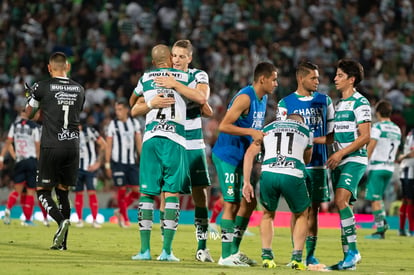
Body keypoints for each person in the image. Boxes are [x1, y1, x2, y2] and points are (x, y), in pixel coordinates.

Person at [130, 44, 206, 261]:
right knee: (172, 193)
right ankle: (167, 251)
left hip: (151, 138)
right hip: (176, 139)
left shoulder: (147, 77)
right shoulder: (186, 77)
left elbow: (132, 105)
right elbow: (203, 100)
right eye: (174, 55)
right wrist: (176, 85)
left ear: (154, 62)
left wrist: (151, 103)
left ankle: (144, 251)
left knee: (147, 193)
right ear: (170, 58)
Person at [211, 62, 278, 266]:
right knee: (231, 203)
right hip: (227, 156)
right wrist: (251, 133)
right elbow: (223, 125)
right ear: (262, 79)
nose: (276, 83)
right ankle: (225, 257)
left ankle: (234, 251)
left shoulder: (263, 97)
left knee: (249, 203)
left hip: (242, 158)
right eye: (273, 79)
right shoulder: (245, 97)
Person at [25, 51, 85, 250]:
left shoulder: (41, 86)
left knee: (42, 191)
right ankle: (63, 244)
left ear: (49, 68)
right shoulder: (80, 89)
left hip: (52, 145)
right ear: (67, 67)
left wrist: (30, 97)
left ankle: (60, 221)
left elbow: (29, 115)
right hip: (72, 146)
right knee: (63, 193)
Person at [276, 61, 335, 265]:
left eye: (318, 78)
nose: (317, 81)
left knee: (314, 210)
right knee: (298, 209)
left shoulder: (325, 101)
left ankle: (310, 254)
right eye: (313, 78)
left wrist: (309, 139)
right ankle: (296, 254)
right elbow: (282, 134)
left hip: (318, 163)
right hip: (295, 165)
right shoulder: (285, 104)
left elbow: (331, 136)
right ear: (301, 78)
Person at [243, 114, 313, 270]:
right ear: (300, 122)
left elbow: (249, 154)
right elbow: (307, 158)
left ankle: (267, 257)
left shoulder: (267, 128)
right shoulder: (306, 130)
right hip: (292, 173)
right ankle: (297, 258)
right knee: (302, 214)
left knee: (268, 214)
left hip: (268, 173)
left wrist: (246, 182)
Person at [326, 59, 371, 270]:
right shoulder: (338, 104)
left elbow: (365, 137)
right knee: (345, 206)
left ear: (351, 80)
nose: (335, 78)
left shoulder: (361, 103)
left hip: (354, 158)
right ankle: (347, 260)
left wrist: (341, 153)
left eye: (340, 75)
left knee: (341, 199)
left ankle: (354, 252)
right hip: (339, 160)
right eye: (336, 75)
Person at [364, 100, 401, 239]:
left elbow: (371, 146)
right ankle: (383, 224)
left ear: (377, 112)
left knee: (374, 199)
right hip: (390, 167)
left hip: (377, 167)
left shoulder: (378, 127)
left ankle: (380, 230)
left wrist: (364, 162)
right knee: (378, 198)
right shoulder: (396, 129)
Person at [105, 98, 142, 228]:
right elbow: (108, 145)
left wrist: (142, 159)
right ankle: (125, 219)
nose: (117, 112)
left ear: (126, 110)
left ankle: (120, 210)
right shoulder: (113, 125)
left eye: (120, 109)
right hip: (118, 163)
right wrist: (107, 164)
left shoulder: (134, 123)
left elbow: (138, 143)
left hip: (132, 162)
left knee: (137, 191)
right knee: (121, 190)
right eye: (116, 110)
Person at [0, 108, 41, 226]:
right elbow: (37, 146)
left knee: (17, 190)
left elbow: (8, 143)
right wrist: (38, 161)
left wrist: (3, 158)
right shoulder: (34, 127)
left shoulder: (15, 125)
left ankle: (7, 210)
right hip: (31, 160)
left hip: (19, 161)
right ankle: (28, 220)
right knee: (30, 191)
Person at [74, 115, 107, 229]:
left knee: (91, 192)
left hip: (90, 167)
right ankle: (79, 220)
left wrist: (98, 163)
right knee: (78, 193)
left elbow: (103, 145)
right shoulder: (70, 132)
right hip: (77, 168)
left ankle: (94, 220)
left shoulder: (90, 130)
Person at [397, 128, 414, 236]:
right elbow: (412, 153)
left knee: (406, 200)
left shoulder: (411, 133)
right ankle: (410, 229)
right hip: (410, 171)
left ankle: (402, 229)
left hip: (407, 169)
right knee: (409, 200)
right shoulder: (412, 134)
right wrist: (404, 156)